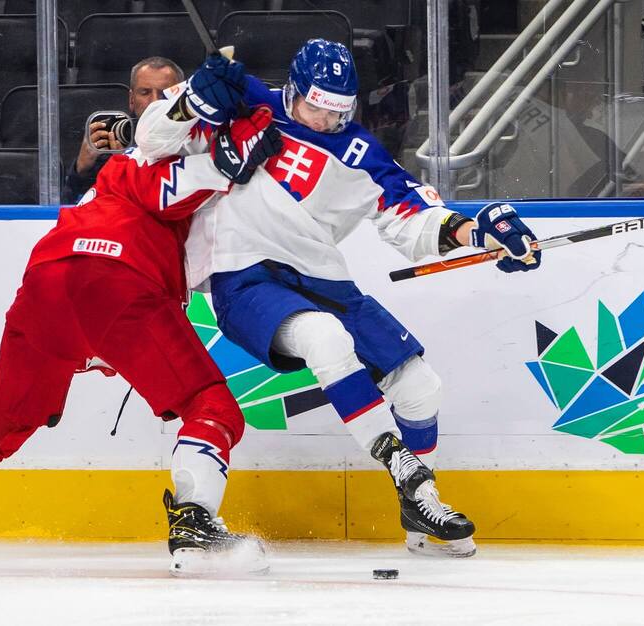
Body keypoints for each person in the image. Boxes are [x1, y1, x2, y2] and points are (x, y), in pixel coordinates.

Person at [0, 55, 283, 576]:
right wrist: (234, 148)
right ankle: (193, 525)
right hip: (116, 283)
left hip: (45, 281)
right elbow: (190, 179)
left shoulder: (125, 159)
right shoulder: (147, 160)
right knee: (211, 406)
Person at [140, 39, 542, 558]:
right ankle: (402, 468)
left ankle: (421, 517)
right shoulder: (240, 101)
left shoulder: (360, 153)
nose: (329, 120)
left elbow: (412, 218)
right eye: (318, 108)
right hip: (244, 276)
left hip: (323, 279)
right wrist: (190, 100)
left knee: (422, 387)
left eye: (340, 110)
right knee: (325, 339)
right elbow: (150, 142)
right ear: (294, 89)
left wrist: (477, 232)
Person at [62, 56, 184, 204]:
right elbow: (70, 208)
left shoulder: (197, 142)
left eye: (164, 94)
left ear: (181, 98)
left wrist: (126, 165)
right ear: (132, 100)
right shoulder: (107, 147)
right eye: (145, 93)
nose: (154, 102)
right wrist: (80, 170)